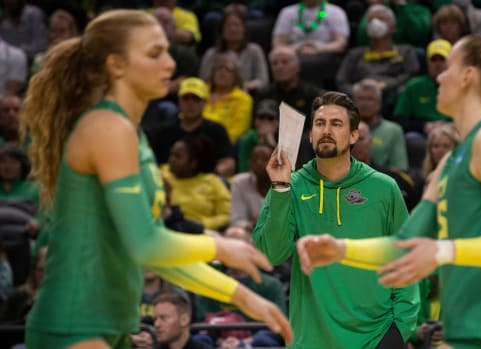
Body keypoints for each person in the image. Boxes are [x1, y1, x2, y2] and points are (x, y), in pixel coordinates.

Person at [20, 10, 292, 349]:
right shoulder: (106, 127)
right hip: (73, 323)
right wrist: (221, 246)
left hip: (111, 325)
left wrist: (242, 296)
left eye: (166, 51)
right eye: (154, 54)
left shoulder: (133, 135)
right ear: (116, 65)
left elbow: (155, 253)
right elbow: (145, 242)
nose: (169, 64)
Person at [297, 34, 481, 349]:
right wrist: (341, 249)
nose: (439, 76)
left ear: (468, 77)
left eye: (448, 67)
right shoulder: (451, 161)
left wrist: (442, 251)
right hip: (469, 334)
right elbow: (403, 245)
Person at [253, 91, 420, 349]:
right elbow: (271, 255)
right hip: (309, 341)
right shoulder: (291, 186)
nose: (326, 130)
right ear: (310, 134)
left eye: (336, 124)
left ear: (354, 135)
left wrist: (399, 330)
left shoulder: (384, 188)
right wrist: (279, 187)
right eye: (319, 124)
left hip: (375, 338)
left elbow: (405, 256)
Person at [146, 77, 235, 178]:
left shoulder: (216, 130)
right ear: (179, 101)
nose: (190, 104)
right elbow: (151, 163)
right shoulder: (164, 131)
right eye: (186, 98)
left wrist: (205, 176)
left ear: (204, 103)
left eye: (196, 99)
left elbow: (229, 163)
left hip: (205, 185)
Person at [161, 136, 231, 231]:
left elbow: (226, 215)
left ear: (192, 163)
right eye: (171, 155)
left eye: (177, 156)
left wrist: (203, 224)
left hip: (202, 233)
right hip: (168, 230)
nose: (171, 159)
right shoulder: (161, 177)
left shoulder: (212, 182)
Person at [393, 39, 453, 139]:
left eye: (442, 59)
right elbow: (399, 120)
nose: (438, 64)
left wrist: (450, 126)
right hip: (422, 133)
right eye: (433, 60)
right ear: (427, 62)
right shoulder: (414, 86)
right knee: (411, 138)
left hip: (453, 131)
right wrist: (424, 126)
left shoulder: (461, 85)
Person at [199, 12, 269, 93]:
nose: (233, 29)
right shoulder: (211, 53)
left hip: (248, 94)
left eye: (237, 25)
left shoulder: (255, 50)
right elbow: (203, 81)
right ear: (221, 30)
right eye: (228, 25)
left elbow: (263, 81)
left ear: (244, 29)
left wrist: (246, 86)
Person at [352, 78, 409, 171]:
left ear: (379, 103)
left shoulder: (394, 130)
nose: (365, 104)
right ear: (353, 103)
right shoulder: (344, 129)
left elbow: (399, 169)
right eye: (361, 98)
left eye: (370, 99)